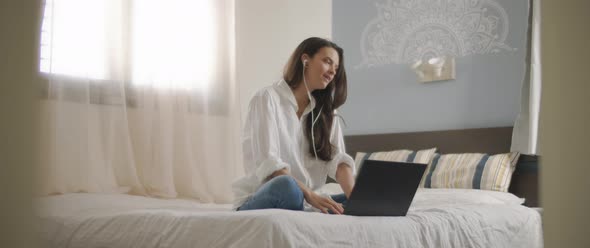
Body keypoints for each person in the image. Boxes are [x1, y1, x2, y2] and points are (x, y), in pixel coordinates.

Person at [232, 37, 356, 214]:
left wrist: (355, 197)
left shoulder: (327, 112)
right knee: (288, 186)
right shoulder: (267, 99)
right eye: (327, 62)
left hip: (308, 200)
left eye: (335, 69)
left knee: (364, 197)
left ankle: (309, 208)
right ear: (305, 60)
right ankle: (305, 205)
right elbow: (270, 165)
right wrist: (309, 195)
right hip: (269, 195)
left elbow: (339, 161)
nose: (332, 72)